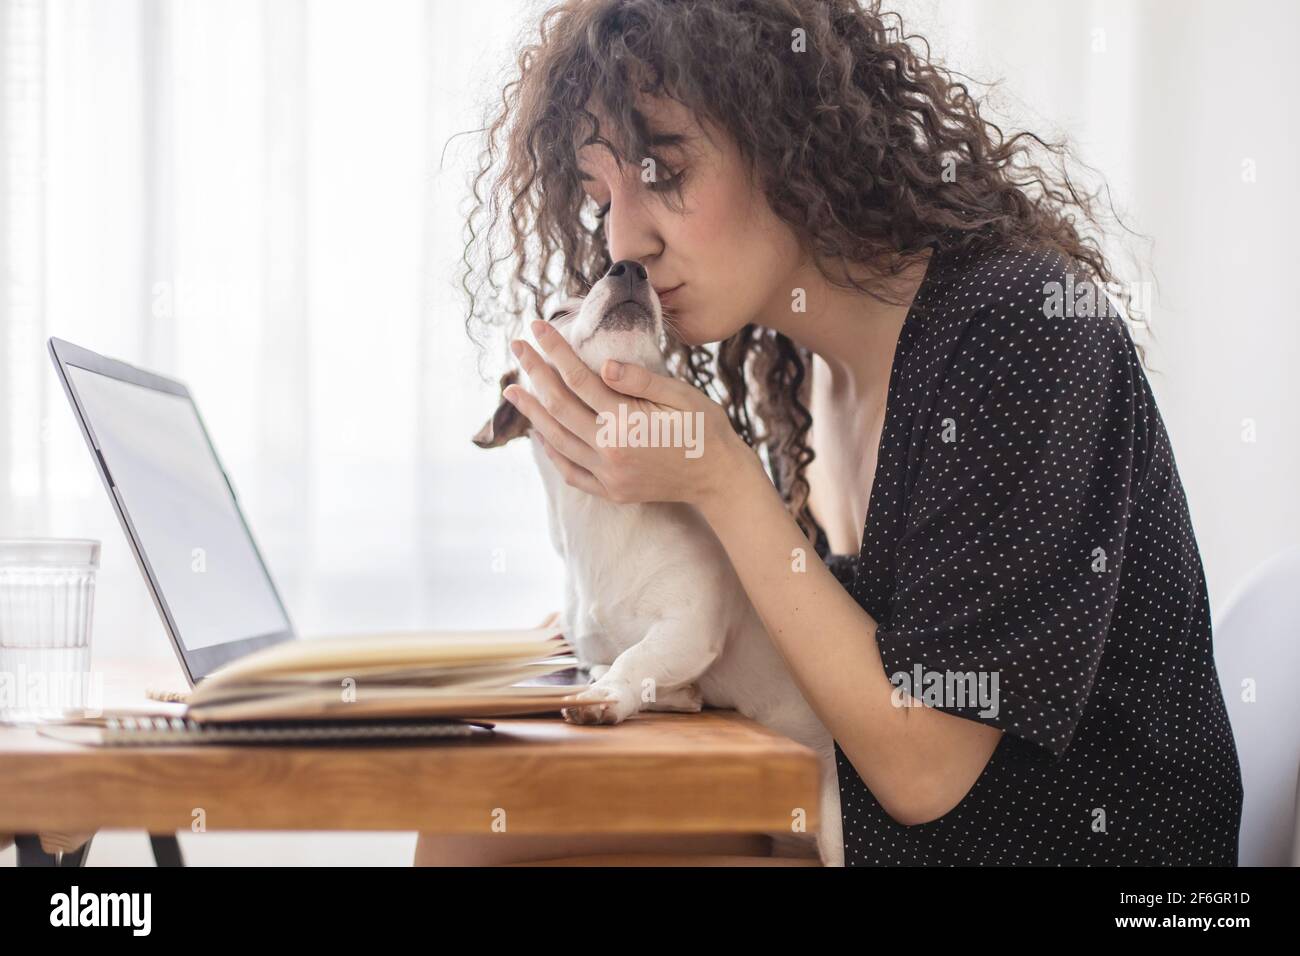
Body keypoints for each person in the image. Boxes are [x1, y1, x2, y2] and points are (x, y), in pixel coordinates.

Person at [416, 0, 1242, 866]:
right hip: (854, 823)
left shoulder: (1022, 326)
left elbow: (927, 770)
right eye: (600, 202)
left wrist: (720, 480)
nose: (624, 240)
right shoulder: (796, 367)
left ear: (787, 136)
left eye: (660, 171)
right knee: (475, 826)